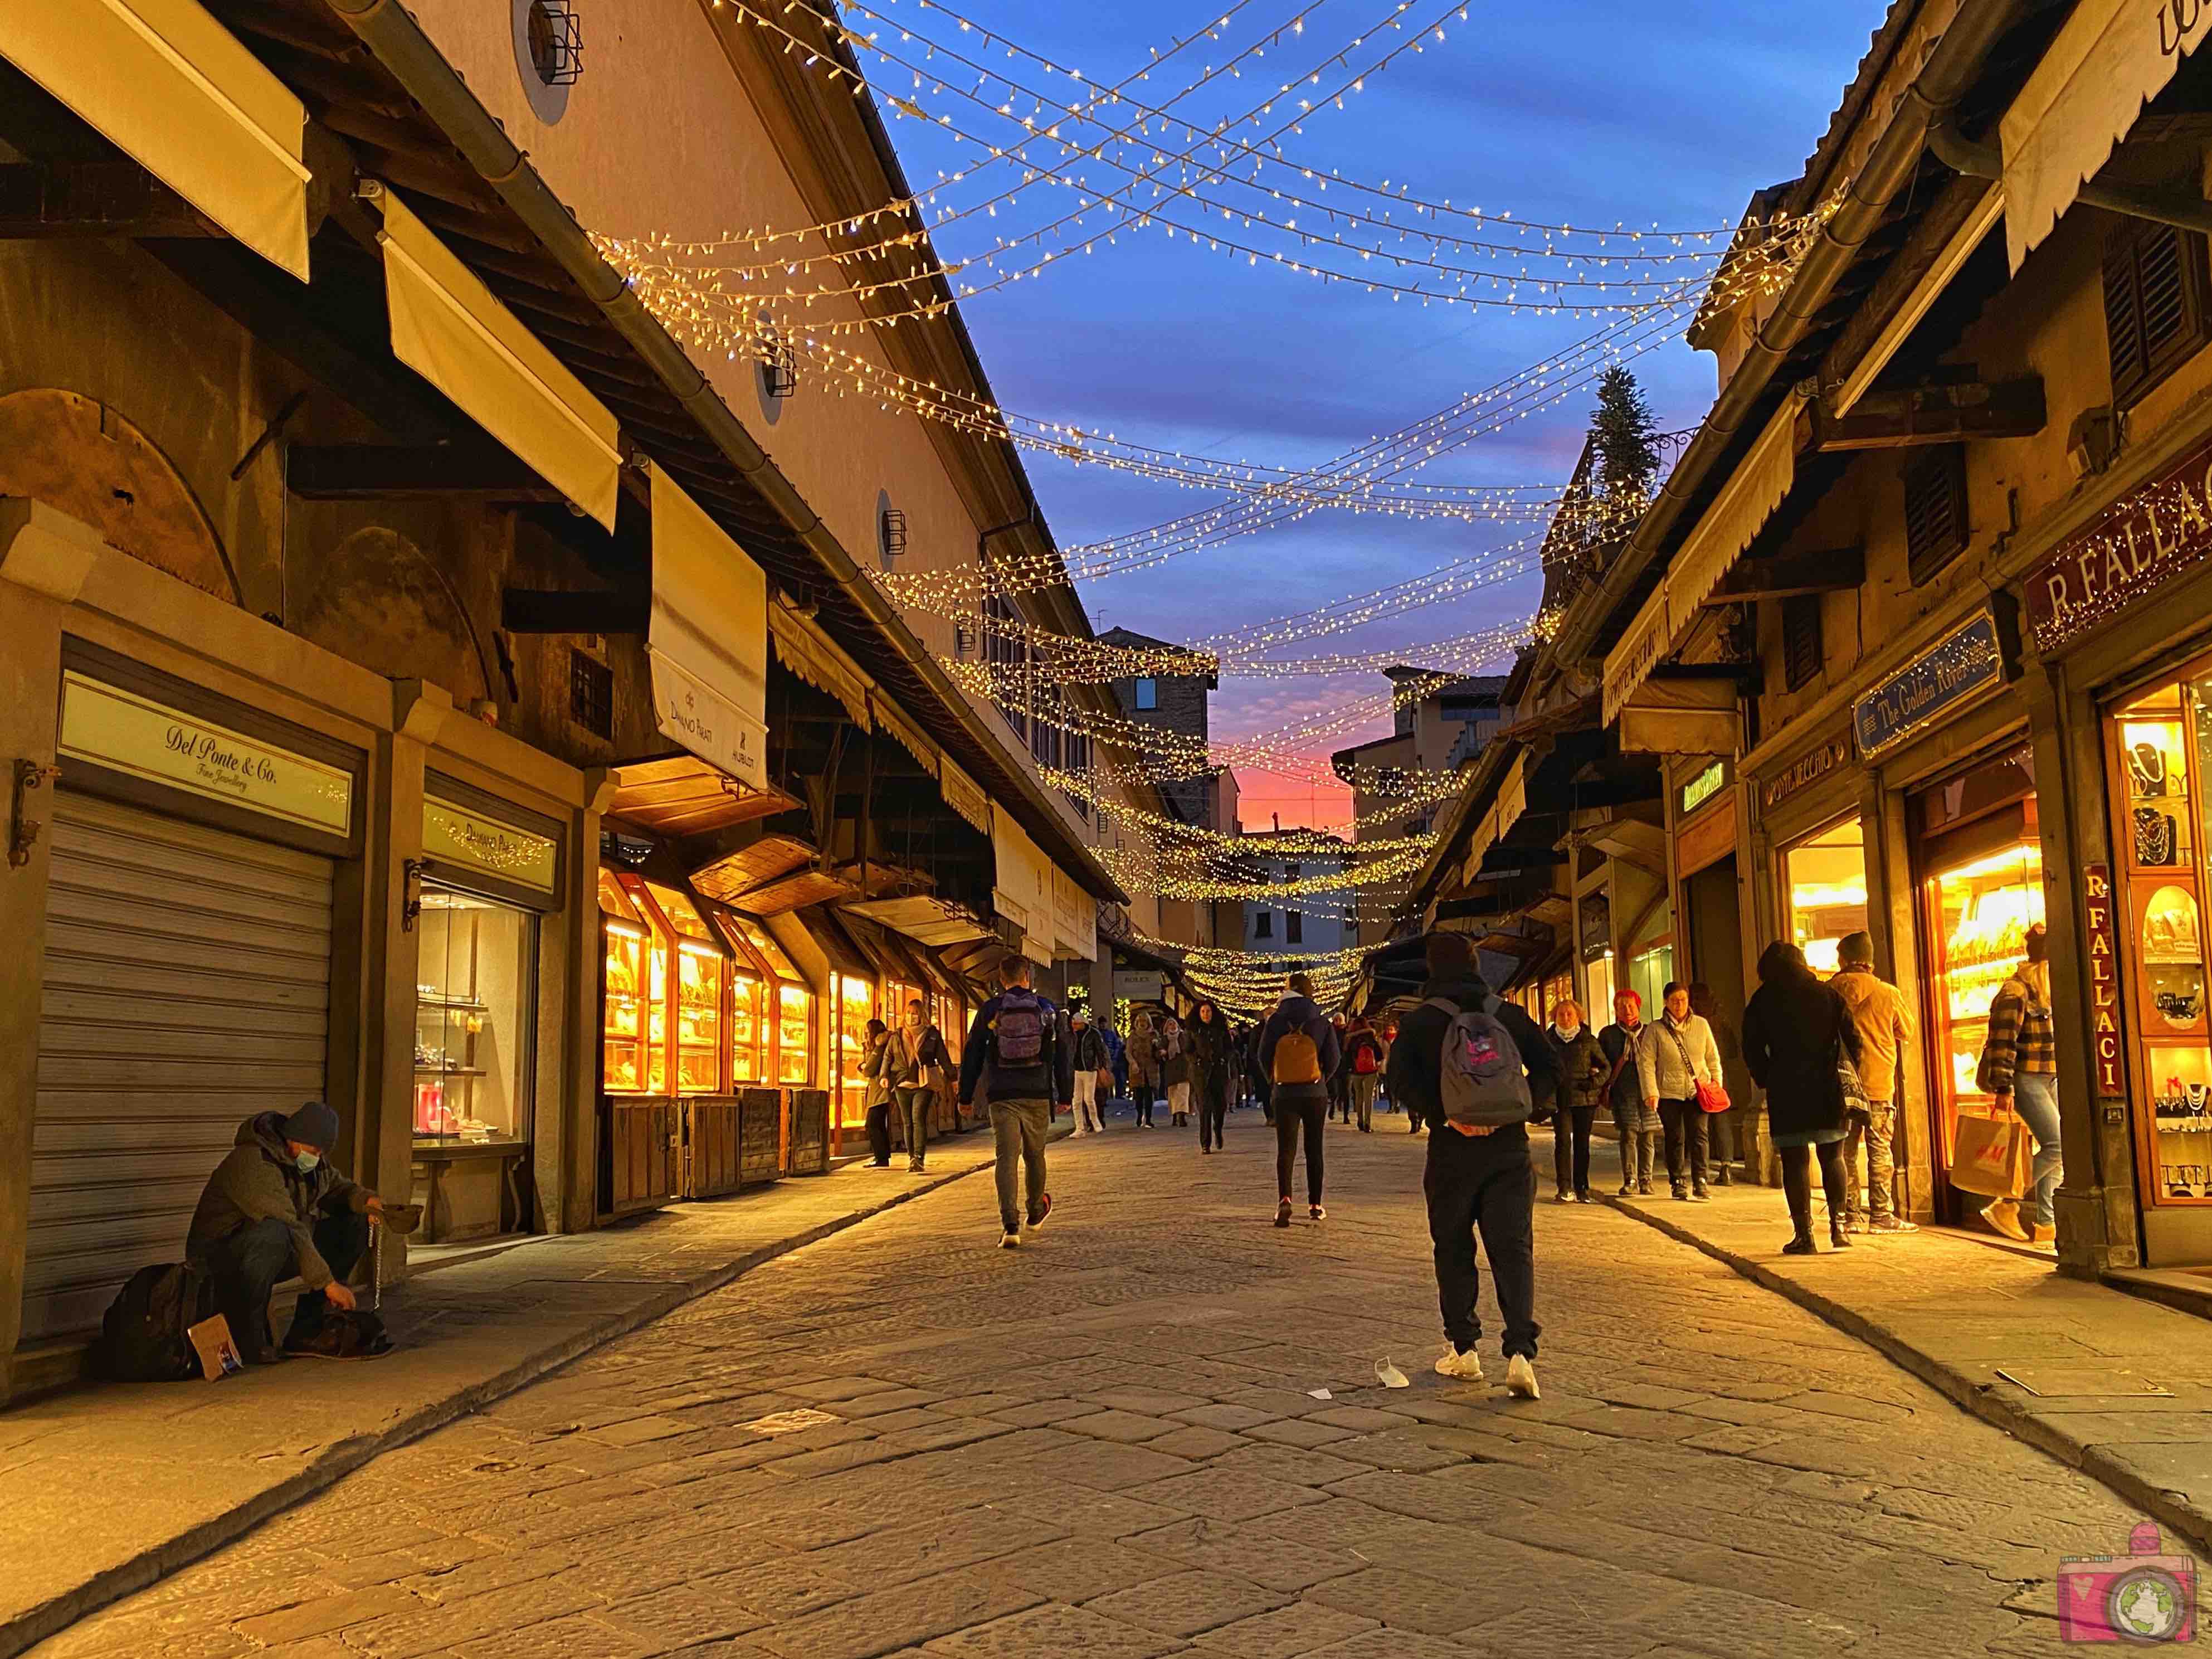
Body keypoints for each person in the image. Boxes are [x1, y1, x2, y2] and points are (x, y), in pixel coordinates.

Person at [1386, 931, 1557, 1400]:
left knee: (1454, 1247)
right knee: (1513, 1248)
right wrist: (1523, 1108)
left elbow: (1398, 1077)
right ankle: (1521, 1351)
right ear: (1475, 965)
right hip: (1509, 1147)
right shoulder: (1507, 1014)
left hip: (1451, 1150)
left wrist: (1444, 1115)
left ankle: (1464, 1351)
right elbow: (1550, 1066)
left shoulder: (1423, 1021)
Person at [186, 1099, 386, 1364]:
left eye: (322, 1153)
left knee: (353, 1224)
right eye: (313, 1151)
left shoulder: (311, 1163)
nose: (317, 1158)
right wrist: (328, 1283)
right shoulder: (253, 1162)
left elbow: (339, 1189)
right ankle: (248, 1336)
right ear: (295, 1139)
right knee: (276, 1232)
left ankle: (310, 1328)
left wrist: (367, 1201)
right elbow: (289, 1225)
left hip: (271, 1248)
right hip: (221, 1257)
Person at [1744, 941, 1863, 1253]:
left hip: (1787, 1091)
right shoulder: (1828, 995)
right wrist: (1846, 1072)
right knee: (1833, 1157)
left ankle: (1804, 1235)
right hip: (1828, 1088)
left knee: (1795, 1163)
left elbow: (1752, 1048)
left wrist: (1766, 1077)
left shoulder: (1763, 1000)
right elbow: (1853, 1040)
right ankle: (1840, 1228)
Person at [958, 956, 1071, 1248]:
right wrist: (1066, 1095)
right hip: (1036, 1091)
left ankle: (1010, 1226)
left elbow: (972, 1053)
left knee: (1006, 1158)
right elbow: (1062, 1054)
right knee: (1035, 1155)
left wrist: (966, 1096)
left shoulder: (991, 1010)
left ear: (1001, 978)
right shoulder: (1047, 1009)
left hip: (1002, 1093)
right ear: (1027, 977)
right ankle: (1035, 1211)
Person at [1828, 934, 1917, 1234]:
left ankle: (1850, 1216)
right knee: (1880, 1149)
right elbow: (1907, 1030)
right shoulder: (1888, 993)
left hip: (1841, 1085)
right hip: (1879, 1084)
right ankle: (1881, 1214)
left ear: (1843, 960)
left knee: (1846, 1152)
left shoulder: (1829, 992)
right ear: (1870, 961)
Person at [1980, 922, 2062, 1245]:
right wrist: (2004, 1088)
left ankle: (2047, 1224)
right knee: (2058, 1145)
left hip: (2050, 1076)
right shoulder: (2016, 992)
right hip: (2025, 1078)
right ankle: (2007, 1202)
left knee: (2056, 1149)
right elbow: (2002, 1042)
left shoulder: (2044, 989)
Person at [1260, 972, 1341, 1225]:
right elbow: (1335, 1059)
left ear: (1288, 990)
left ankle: (1285, 1200)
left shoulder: (1275, 1021)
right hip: (1315, 1093)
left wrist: (1275, 1082)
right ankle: (1315, 1205)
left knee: (1286, 1150)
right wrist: (1321, 1080)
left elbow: (1262, 1055)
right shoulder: (1321, 1020)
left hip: (1285, 1093)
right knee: (1314, 1148)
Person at [1636, 982, 1722, 1202]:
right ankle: (1677, 1181)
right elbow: (1646, 1062)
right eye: (1674, 1000)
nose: (1679, 1004)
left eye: (1683, 1000)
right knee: (1675, 1137)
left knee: (1700, 1135)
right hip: (1668, 1092)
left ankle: (1701, 1180)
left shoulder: (1701, 1025)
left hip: (1698, 1090)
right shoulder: (1655, 1029)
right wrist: (1651, 1092)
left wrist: (1716, 1083)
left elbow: (1712, 1056)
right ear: (1666, 1002)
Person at [879, 1000, 952, 1172]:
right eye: (909, 1013)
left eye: (915, 1013)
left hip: (924, 1084)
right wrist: (884, 1076)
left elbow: (943, 1057)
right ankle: (912, 1157)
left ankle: (919, 1158)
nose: (912, 1017)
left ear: (922, 1015)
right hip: (901, 1083)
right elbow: (887, 1057)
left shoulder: (931, 1035)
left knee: (918, 1119)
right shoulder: (896, 1036)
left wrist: (953, 1079)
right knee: (907, 1122)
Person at [1546, 999, 1606, 1204]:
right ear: (1555, 1018)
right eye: (1561, 1014)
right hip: (1559, 1100)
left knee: (1582, 1144)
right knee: (1562, 1142)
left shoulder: (1589, 1040)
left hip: (1584, 1099)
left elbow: (1605, 1067)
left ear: (1578, 1016)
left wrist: (1593, 1083)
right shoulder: (1548, 1041)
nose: (1565, 1018)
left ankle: (1582, 1188)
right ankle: (1564, 1187)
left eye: (1569, 1014)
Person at [1599, 990, 1657, 1195]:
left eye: (1631, 1005)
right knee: (1628, 1135)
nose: (1627, 1010)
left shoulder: (1650, 1031)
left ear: (1639, 1007)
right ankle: (1630, 1179)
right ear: (1616, 1009)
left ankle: (1646, 1179)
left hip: (1647, 1090)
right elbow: (1602, 1063)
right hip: (1623, 1091)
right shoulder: (1608, 1034)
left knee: (1648, 1136)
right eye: (1622, 1006)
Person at [1688, 983, 1743, 1187]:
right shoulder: (1720, 1020)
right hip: (1719, 1079)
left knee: (1699, 1127)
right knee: (1722, 1124)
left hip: (1699, 1079)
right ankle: (1726, 1167)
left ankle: (1701, 1170)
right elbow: (1732, 1050)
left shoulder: (1695, 1023)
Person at [1189, 1000, 1232, 1151]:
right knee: (1205, 1107)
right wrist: (1197, 1060)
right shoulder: (1194, 1030)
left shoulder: (1220, 1029)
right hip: (1201, 1074)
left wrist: (1224, 1059)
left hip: (1218, 1072)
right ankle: (1205, 1143)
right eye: (1203, 1012)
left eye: (1208, 1011)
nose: (1206, 1015)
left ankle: (1218, 1130)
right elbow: (1188, 1050)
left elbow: (1230, 1049)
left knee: (1220, 1106)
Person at [858, 1018, 895, 1169]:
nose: (865, 1035)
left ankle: (881, 1158)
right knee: (879, 1124)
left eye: (867, 1032)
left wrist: (861, 1066)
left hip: (880, 1092)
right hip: (882, 1091)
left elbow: (869, 1070)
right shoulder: (881, 1045)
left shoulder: (879, 1048)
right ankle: (882, 1157)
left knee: (873, 1124)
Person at [1069, 1010, 1110, 1136]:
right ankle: (1080, 1128)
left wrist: (1102, 1067)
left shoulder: (1093, 1033)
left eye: (1076, 1024)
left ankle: (1095, 1123)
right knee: (1076, 1100)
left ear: (1082, 1023)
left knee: (1089, 1099)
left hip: (1090, 1069)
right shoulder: (1072, 1035)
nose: (1074, 1026)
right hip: (1077, 1070)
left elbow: (1100, 1051)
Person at [1342, 1016, 1386, 1132]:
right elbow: (1379, 1054)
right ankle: (1368, 1123)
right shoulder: (1370, 1037)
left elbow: (1346, 1056)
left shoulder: (1350, 1039)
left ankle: (1360, 1121)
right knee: (1368, 1098)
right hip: (1371, 1072)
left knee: (1358, 1097)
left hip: (1356, 1072)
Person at [1128, 1010, 1159, 1129]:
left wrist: (1157, 1048)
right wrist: (1133, 1063)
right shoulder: (1133, 1035)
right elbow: (1128, 1052)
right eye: (1140, 1021)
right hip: (1137, 1070)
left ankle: (1149, 1119)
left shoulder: (1154, 1035)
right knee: (1139, 1096)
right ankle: (1139, 1116)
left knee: (1149, 1096)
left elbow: (1159, 1050)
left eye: (1145, 1021)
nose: (1142, 1024)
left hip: (1150, 1069)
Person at [1160, 1015, 1191, 1126]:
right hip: (1171, 1069)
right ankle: (1175, 1115)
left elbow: (1188, 1048)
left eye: (1174, 1024)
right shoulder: (1164, 1039)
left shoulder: (1183, 1036)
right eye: (1170, 1024)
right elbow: (1158, 1054)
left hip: (1184, 1068)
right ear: (1166, 1027)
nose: (1173, 1026)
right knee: (1173, 1094)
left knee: (1183, 1093)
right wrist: (1162, 1053)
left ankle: (1182, 1117)